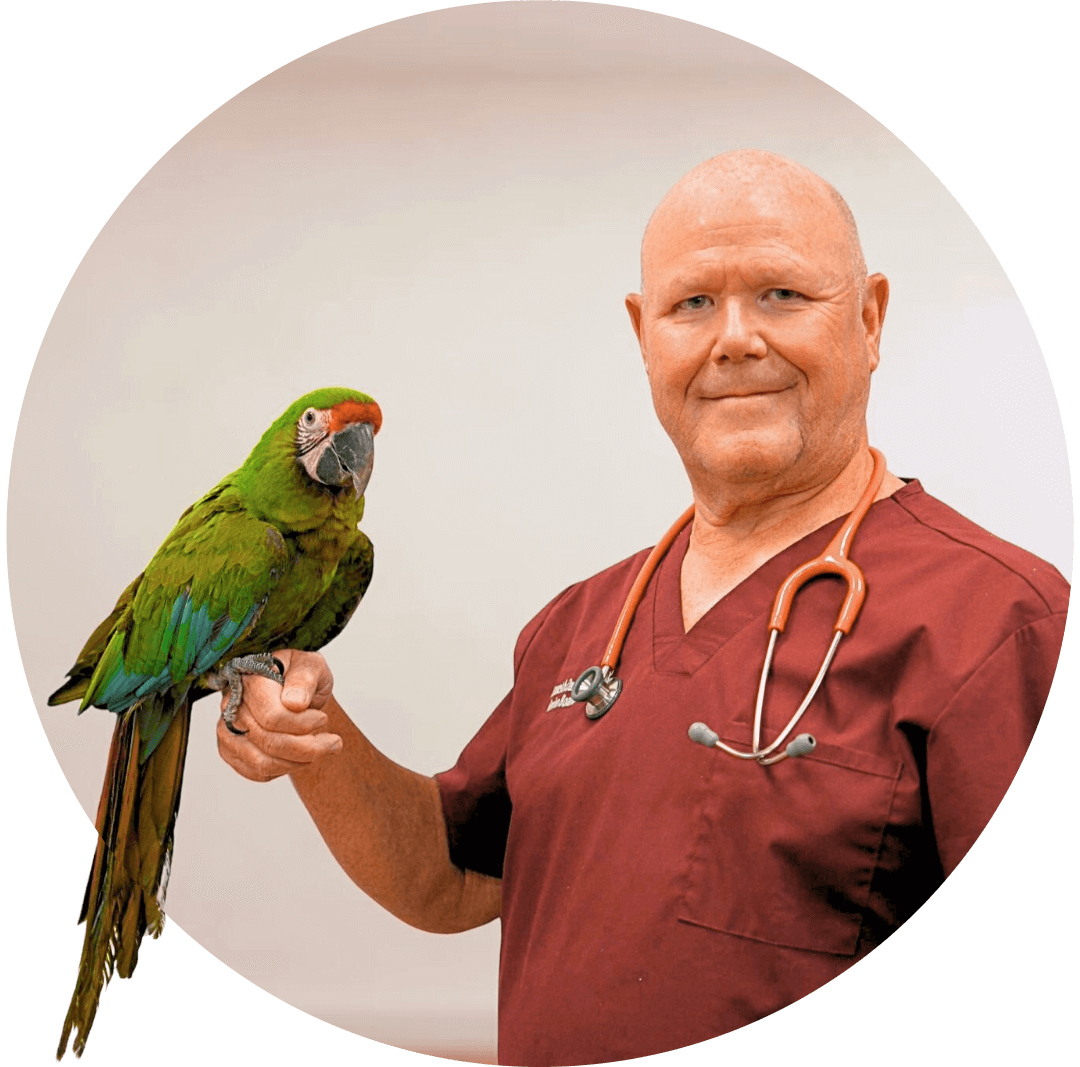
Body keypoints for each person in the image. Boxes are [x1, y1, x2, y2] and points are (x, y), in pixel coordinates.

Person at [216, 150, 1068, 1065]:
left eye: (783, 293)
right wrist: (312, 730)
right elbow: (447, 878)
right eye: (692, 303)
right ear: (643, 335)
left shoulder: (997, 620)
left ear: (869, 320)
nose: (735, 338)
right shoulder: (577, 628)